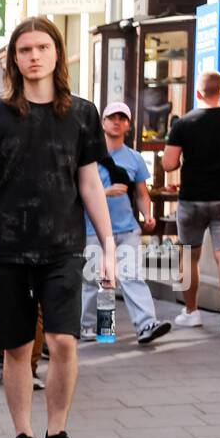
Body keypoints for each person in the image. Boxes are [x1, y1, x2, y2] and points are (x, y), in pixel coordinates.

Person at [0, 17, 115, 438]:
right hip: (6, 249)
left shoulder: (82, 114)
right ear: (14, 59)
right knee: (17, 347)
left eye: (42, 47)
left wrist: (109, 246)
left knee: (64, 340)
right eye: (24, 49)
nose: (33, 56)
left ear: (56, 53)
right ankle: (23, 434)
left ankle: (58, 433)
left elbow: (90, 183)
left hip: (64, 245)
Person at [164, 70, 220, 335]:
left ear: (198, 93)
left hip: (193, 199)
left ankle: (191, 312)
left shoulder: (184, 123)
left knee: (189, 256)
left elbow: (169, 164)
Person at [82, 102, 170, 345]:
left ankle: (146, 324)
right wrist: (105, 192)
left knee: (132, 276)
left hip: (127, 228)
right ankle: (95, 327)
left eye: (123, 118)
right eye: (112, 117)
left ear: (129, 126)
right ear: (103, 123)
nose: (117, 121)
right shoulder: (88, 157)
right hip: (94, 229)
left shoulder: (135, 158)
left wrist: (147, 215)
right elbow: (79, 191)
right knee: (98, 280)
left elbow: (141, 193)